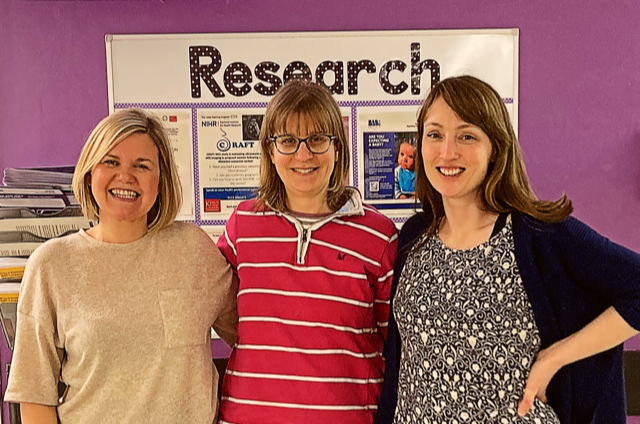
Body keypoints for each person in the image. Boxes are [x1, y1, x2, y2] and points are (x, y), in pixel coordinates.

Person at [376, 75, 640, 424]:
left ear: (495, 148)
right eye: (434, 134)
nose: (447, 152)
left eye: (466, 136)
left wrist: (555, 357)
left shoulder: (539, 233)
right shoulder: (414, 236)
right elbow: (401, 369)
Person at [5, 109, 238, 424]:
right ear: (90, 174)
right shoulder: (51, 264)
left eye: (142, 166)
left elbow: (257, 335)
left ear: (161, 181)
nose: (125, 176)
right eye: (111, 162)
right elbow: (34, 395)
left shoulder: (194, 250)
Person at [216, 79, 398, 424]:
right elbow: (218, 310)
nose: (303, 155)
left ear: (337, 147)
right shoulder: (243, 225)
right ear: (270, 151)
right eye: (287, 141)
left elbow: (397, 344)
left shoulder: (378, 235)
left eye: (317, 140)